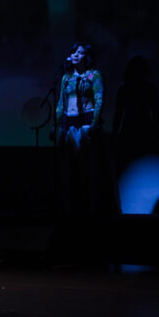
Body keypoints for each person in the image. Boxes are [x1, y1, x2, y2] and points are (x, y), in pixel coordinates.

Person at [55, 42, 118, 217]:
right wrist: (57, 125)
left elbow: (99, 99)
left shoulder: (93, 75)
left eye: (80, 52)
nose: (75, 54)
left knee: (88, 168)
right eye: (73, 51)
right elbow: (61, 103)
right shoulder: (66, 77)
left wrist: (94, 124)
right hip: (69, 125)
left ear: (87, 56)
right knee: (68, 169)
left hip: (87, 124)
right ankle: (69, 209)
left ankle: (92, 209)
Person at [112, 55, 159, 171]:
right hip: (142, 132)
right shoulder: (150, 89)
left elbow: (118, 116)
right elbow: (156, 115)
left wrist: (114, 136)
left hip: (130, 131)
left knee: (128, 165)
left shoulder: (124, 90)